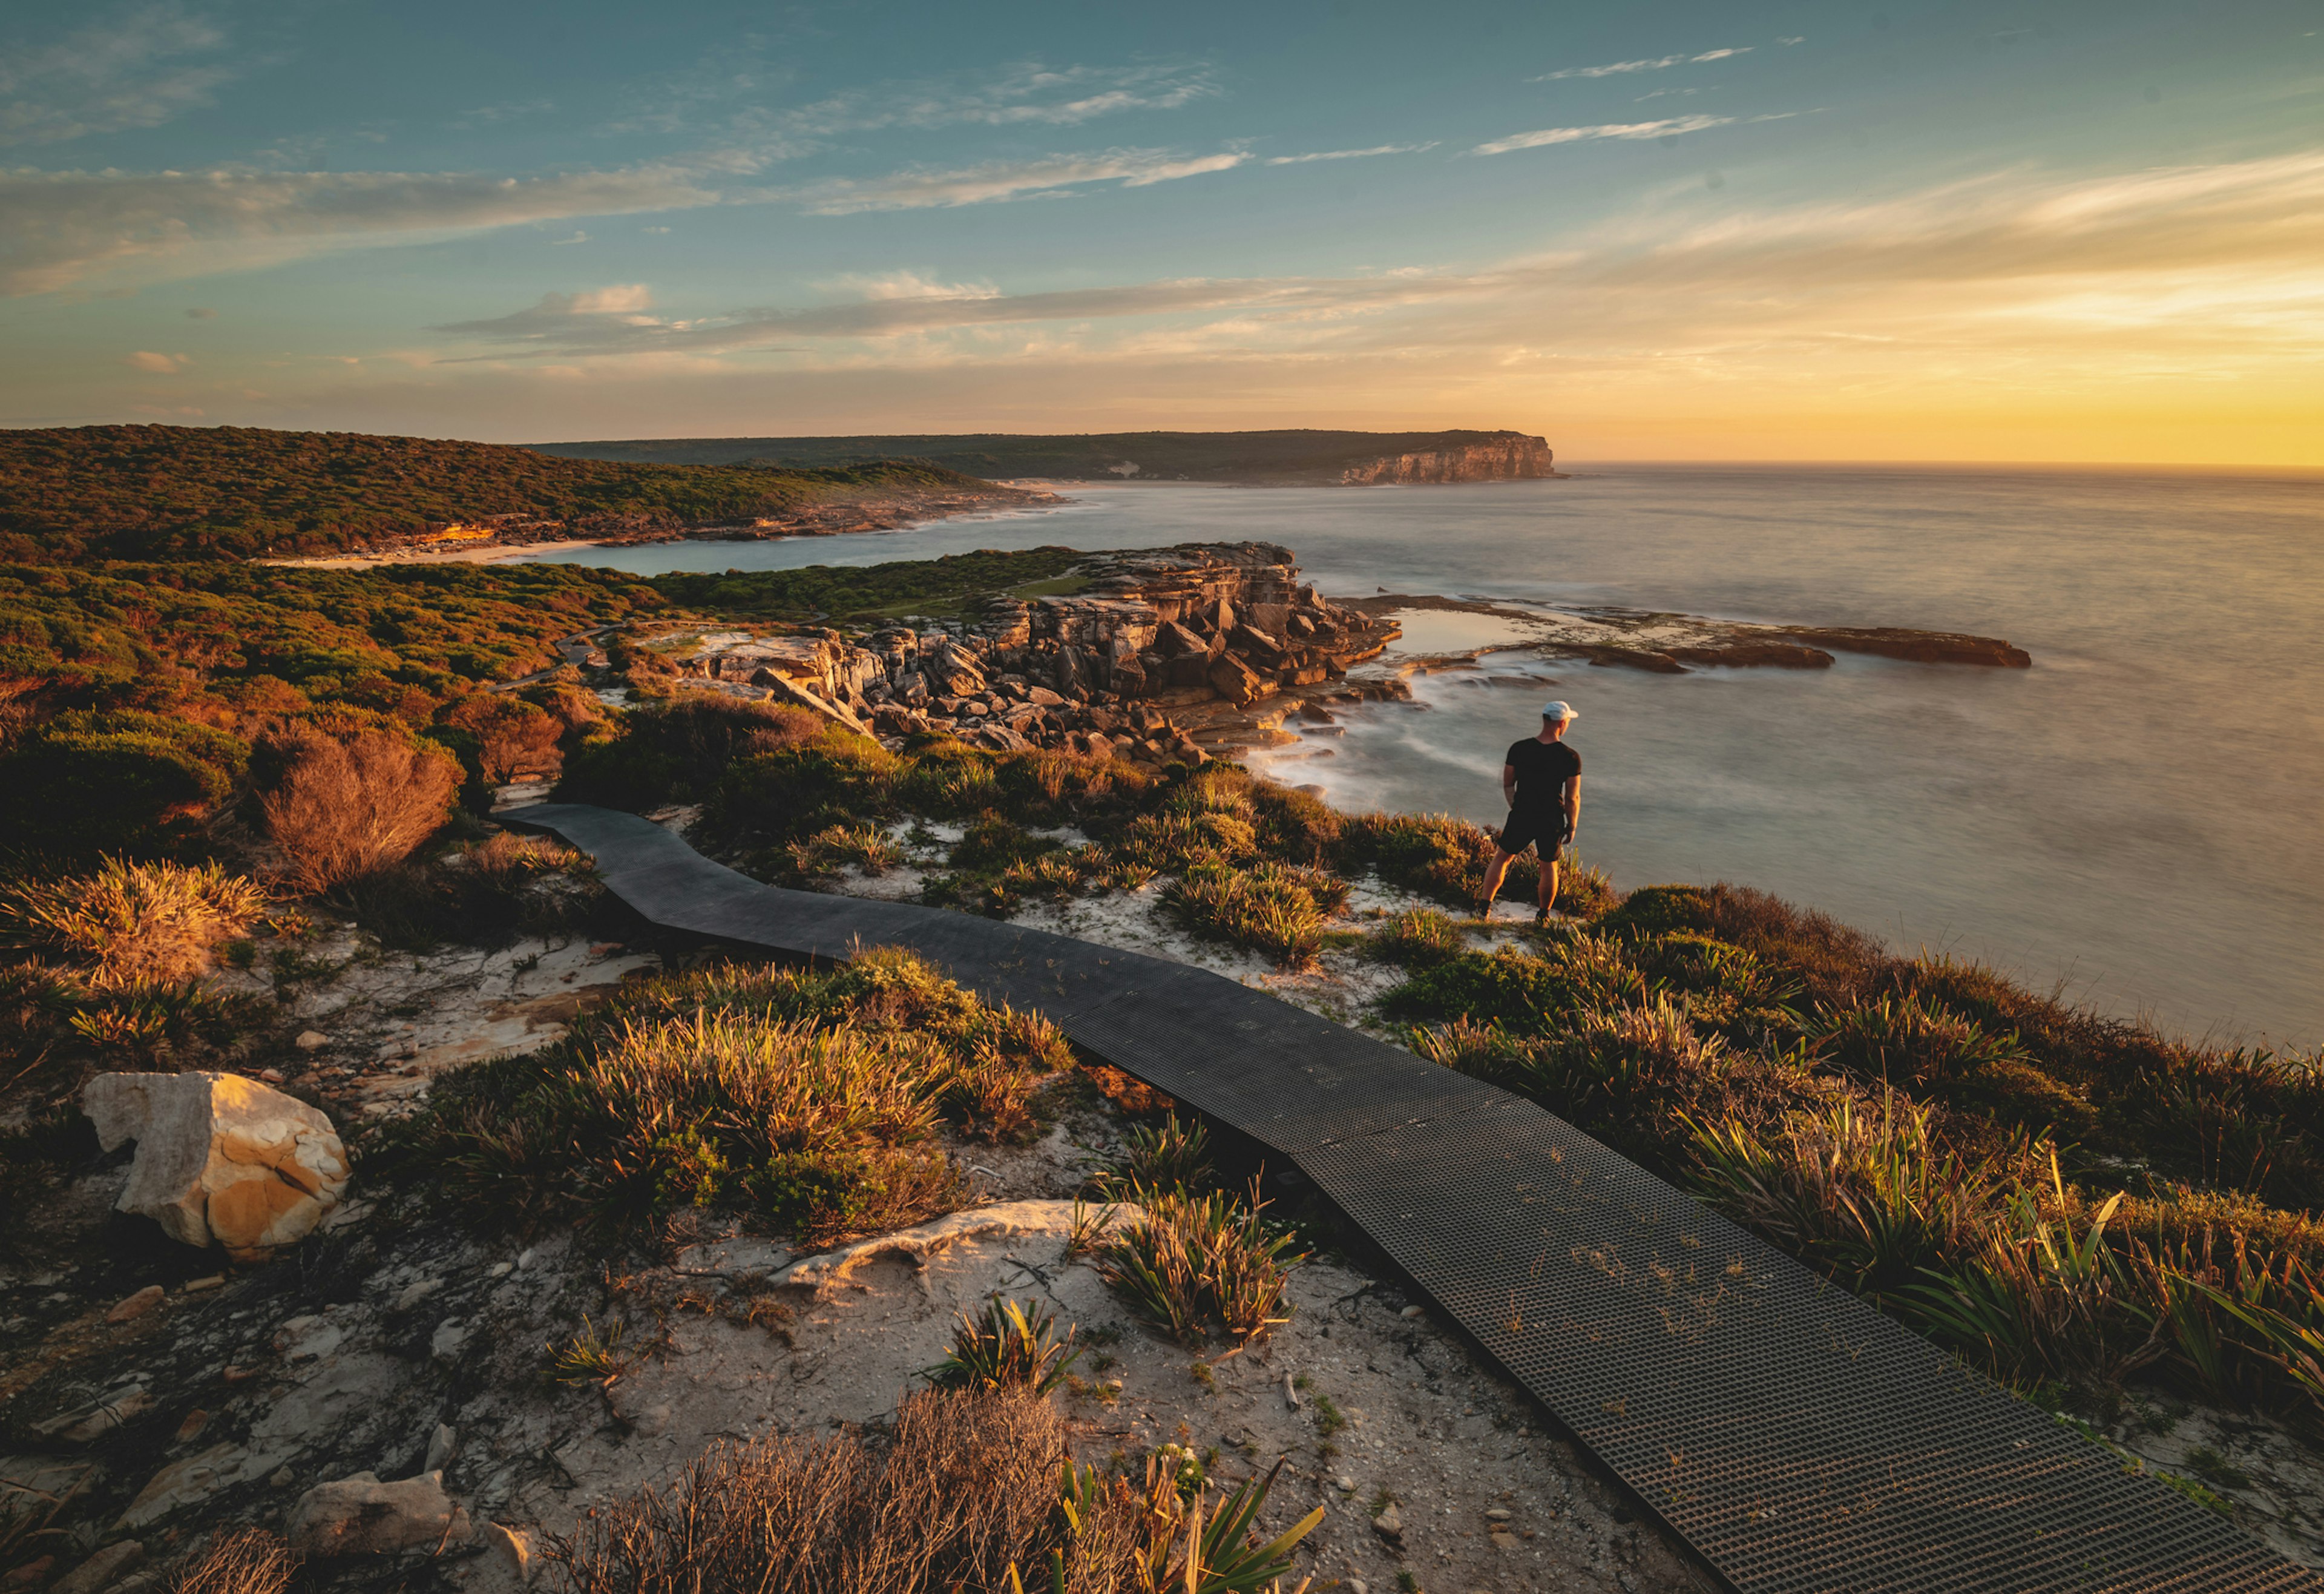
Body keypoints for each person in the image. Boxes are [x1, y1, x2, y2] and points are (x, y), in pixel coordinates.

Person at [1482, 700, 1581, 922]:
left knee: (1501, 859)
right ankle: (1543, 916)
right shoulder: (1570, 757)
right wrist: (1571, 824)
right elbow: (1572, 797)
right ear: (1562, 723)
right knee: (1548, 868)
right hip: (1551, 817)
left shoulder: (1519, 748)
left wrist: (1516, 806)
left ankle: (1484, 907)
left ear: (1545, 719)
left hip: (1523, 813)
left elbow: (1508, 783)